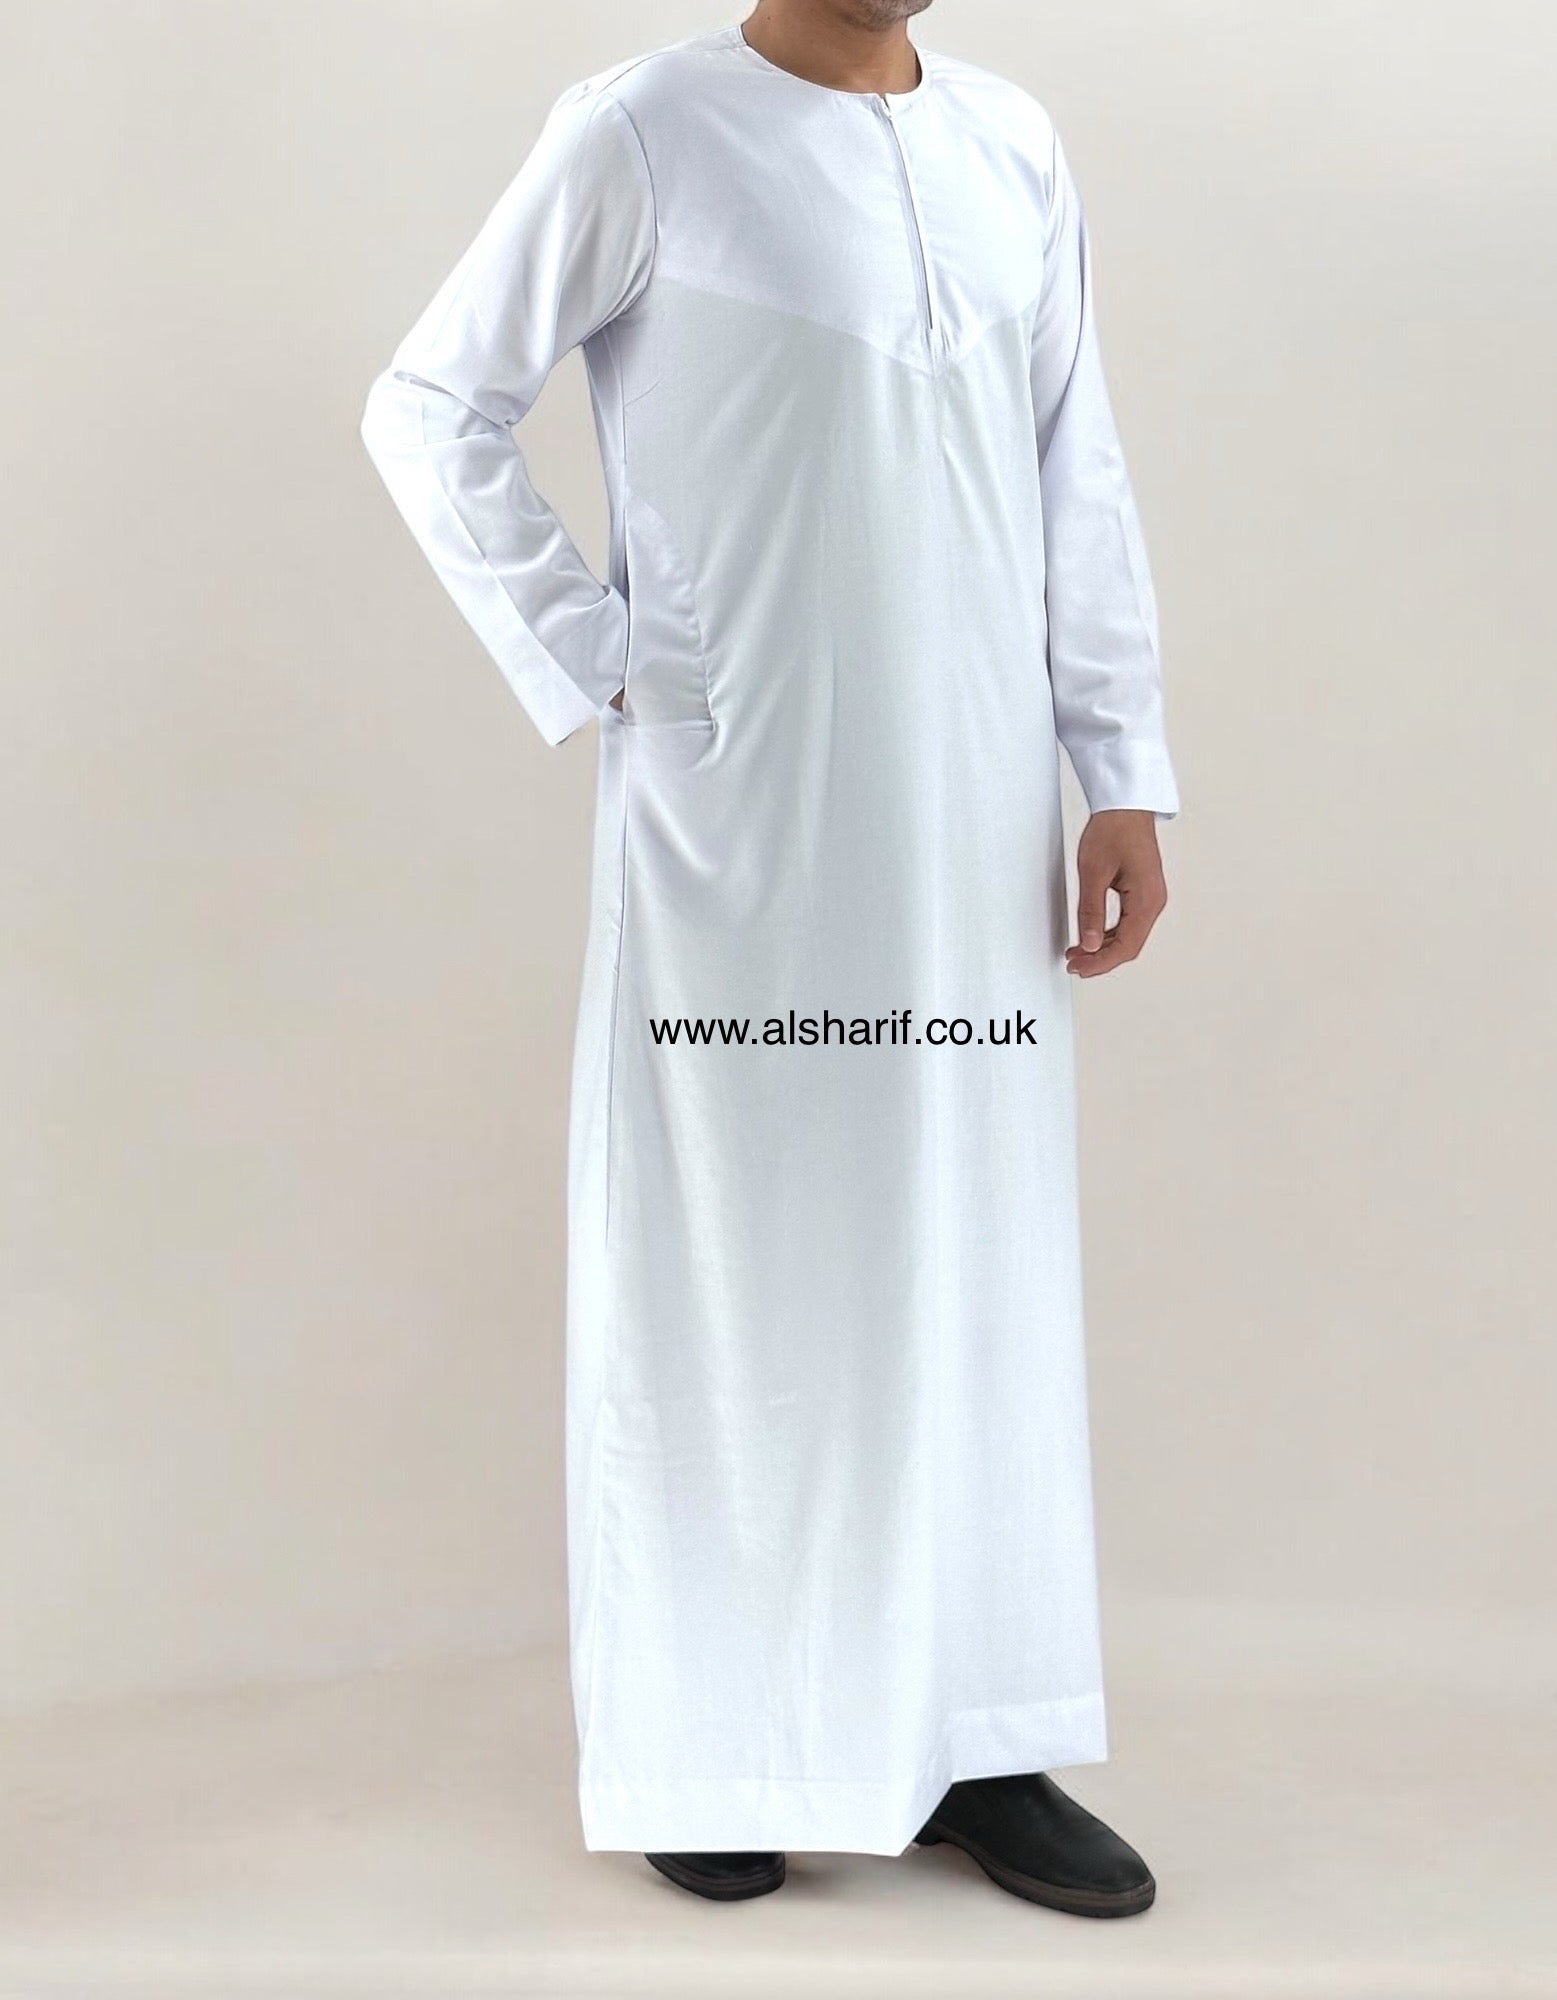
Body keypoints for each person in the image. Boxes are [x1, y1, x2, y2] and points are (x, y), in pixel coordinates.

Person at [361, 0, 1178, 1918]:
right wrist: (602, 655)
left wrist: (1121, 762)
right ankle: (712, 1738)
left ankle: (975, 1732)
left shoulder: (1012, 147)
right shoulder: (648, 131)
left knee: (968, 1259)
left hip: (973, 817)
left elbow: (1077, 465)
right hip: (739, 816)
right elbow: (430, 403)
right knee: (735, 1261)